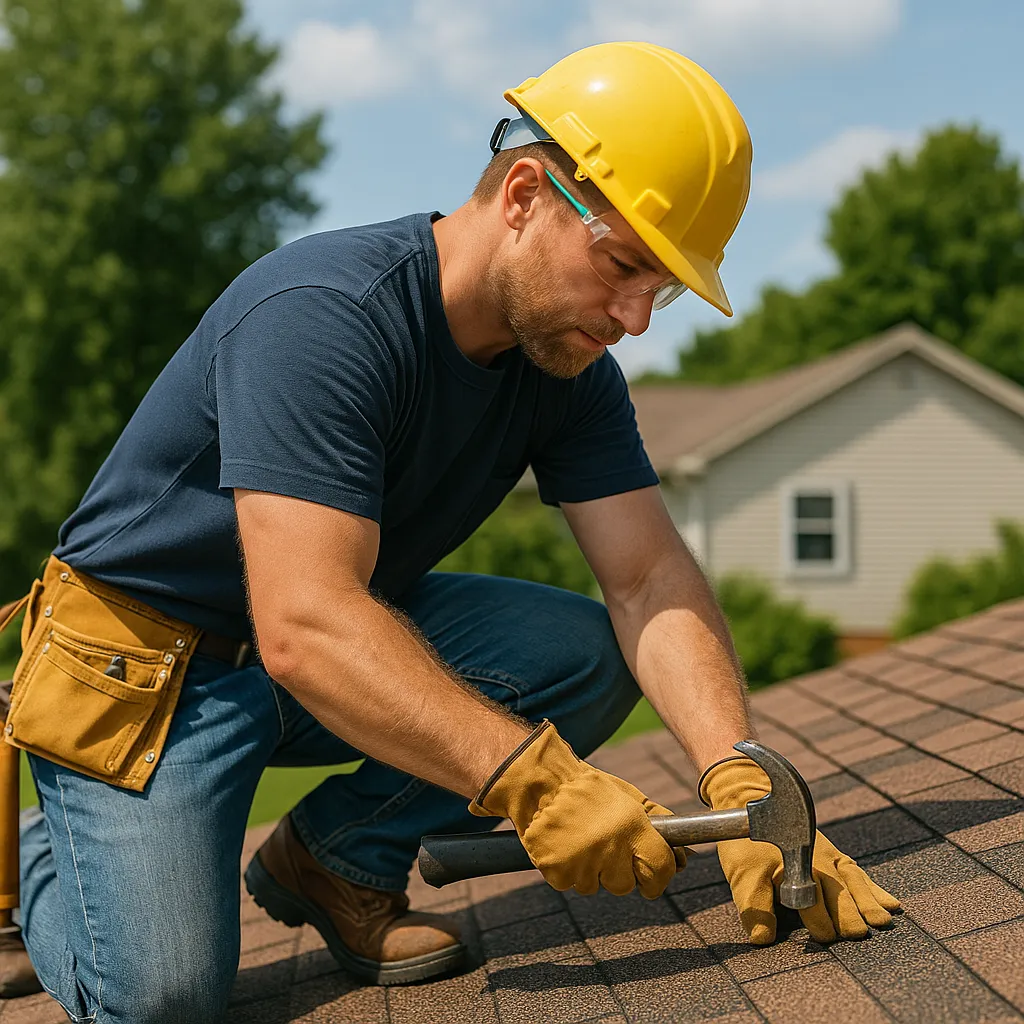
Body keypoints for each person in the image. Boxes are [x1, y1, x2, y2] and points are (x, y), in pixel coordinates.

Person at [0, 41, 898, 1023]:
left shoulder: (565, 366)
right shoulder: (325, 315)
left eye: (664, 286)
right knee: (163, 1002)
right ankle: (38, 854)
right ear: (523, 194)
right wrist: (534, 781)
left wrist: (739, 772)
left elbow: (646, 577)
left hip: (304, 643)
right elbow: (307, 624)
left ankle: (333, 862)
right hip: (146, 671)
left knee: (581, 656)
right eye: (622, 264)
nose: (637, 316)